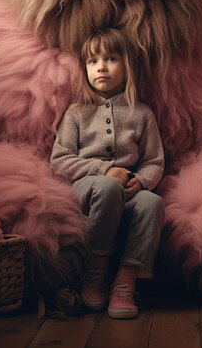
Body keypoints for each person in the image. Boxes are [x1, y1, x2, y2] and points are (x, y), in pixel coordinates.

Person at [50, 28, 165, 319]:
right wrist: (103, 169)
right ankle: (96, 272)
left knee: (153, 203)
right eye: (92, 61)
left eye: (111, 58)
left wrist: (142, 181)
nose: (101, 66)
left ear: (127, 65)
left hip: (127, 191)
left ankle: (125, 282)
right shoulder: (77, 112)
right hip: (88, 190)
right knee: (107, 186)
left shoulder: (142, 113)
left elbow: (154, 161)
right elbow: (60, 159)